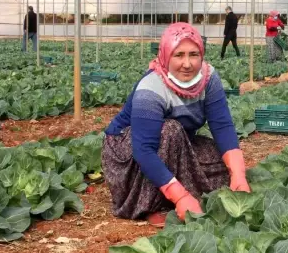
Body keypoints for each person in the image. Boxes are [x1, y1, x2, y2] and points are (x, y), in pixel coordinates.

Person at [102, 22, 250, 227]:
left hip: (177, 143)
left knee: (220, 160)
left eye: (194, 54)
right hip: (128, 151)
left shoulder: (208, 79)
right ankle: (153, 204)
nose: (187, 63)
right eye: (178, 55)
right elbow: (143, 150)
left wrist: (238, 173)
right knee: (170, 130)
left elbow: (222, 125)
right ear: (166, 55)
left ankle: (183, 192)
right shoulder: (152, 87)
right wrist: (180, 197)